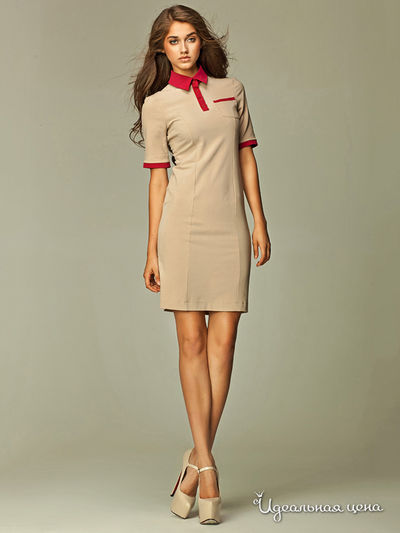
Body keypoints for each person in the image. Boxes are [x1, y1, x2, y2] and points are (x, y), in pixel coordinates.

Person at [130, 4, 270, 525]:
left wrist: (259, 220)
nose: (184, 48)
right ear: (161, 50)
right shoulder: (158, 105)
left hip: (230, 227)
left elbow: (246, 156)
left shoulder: (232, 91)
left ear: (202, 42)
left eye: (190, 38)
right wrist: (151, 249)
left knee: (223, 345)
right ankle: (207, 466)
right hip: (182, 231)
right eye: (174, 41)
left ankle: (193, 462)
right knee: (191, 344)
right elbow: (158, 179)